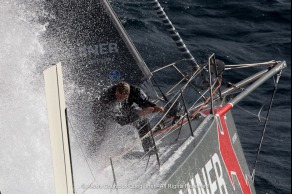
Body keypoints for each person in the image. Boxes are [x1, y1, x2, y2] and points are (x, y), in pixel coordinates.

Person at [91, 82, 164, 153]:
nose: (119, 98)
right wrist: (140, 114)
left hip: (124, 107)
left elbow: (145, 104)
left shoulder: (136, 91)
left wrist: (155, 107)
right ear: (116, 90)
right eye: (117, 95)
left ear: (127, 95)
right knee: (100, 132)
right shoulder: (108, 96)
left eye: (121, 97)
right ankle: (91, 152)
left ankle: (149, 147)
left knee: (143, 121)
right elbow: (122, 121)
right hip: (101, 111)